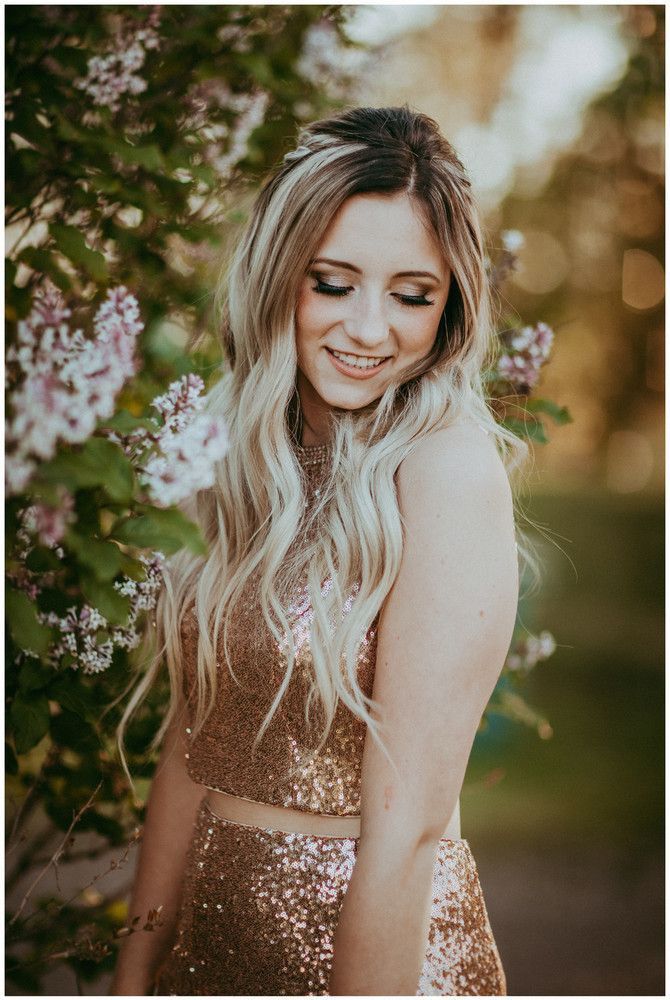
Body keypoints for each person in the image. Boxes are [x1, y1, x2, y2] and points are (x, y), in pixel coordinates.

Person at [112, 104, 526, 996]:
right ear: (276, 278)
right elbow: (192, 743)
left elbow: (408, 830)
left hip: (366, 959)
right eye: (333, 283)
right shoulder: (233, 454)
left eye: (412, 295)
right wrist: (138, 965)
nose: (371, 330)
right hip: (214, 949)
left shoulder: (444, 472)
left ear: (449, 303)